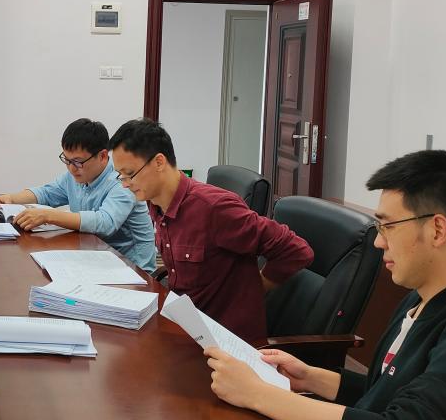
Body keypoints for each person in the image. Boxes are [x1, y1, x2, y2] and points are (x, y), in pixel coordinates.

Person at [204, 149, 446, 420]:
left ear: (437, 229)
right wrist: (310, 378)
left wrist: (258, 394)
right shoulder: (420, 296)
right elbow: (388, 391)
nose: (378, 241)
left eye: (388, 226)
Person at [109, 118, 311, 342]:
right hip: (187, 326)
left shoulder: (214, 208)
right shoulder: (155, 202)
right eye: (120, 175)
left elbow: (296, 250)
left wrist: (259, 285)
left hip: (224, 341)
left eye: (130, 174)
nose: (124, 184)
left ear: (159, 162)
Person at [0, 118, 156, 272]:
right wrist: (12, 198)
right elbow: (47, 193)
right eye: (67, 160)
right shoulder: (76, 175)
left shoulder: (122, 179)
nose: (71, 168)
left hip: (132, 267)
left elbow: (105, 223)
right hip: (96, 257)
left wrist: (48, 215)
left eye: (78, 162)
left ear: (102, 156)